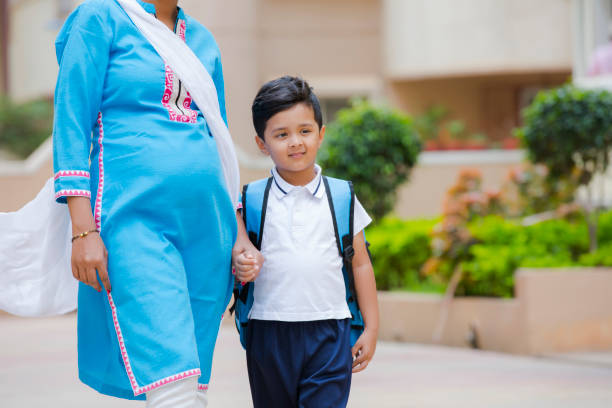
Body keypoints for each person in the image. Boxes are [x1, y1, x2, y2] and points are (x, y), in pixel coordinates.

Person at [52, 0, 261, 406]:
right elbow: (71, 119)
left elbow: (219, 138)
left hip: (208, 228)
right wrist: (82, 229)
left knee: (191, 378)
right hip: (131, 219)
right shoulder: (101, 17)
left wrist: (238, 235)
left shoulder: (201, 38)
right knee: (172, 376)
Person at [233, 76, 379, 408]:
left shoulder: (341, 196)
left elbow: (360, 263)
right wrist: (242, 264)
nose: (295, 142)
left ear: (321, 134)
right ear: (261, 143)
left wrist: (371, 328)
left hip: (330, 331)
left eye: (304, 131)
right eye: (281, 135)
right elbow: (238, 258)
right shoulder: (251, 199)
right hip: (268, 332)